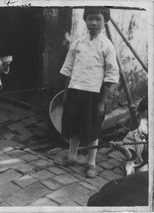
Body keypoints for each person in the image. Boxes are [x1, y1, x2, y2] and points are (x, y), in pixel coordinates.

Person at [59, 7, 119, 178]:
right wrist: (65, 92)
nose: (93, 23)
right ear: (85, 20)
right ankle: (71, 156)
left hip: (94, 95)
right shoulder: (78, 42)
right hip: (74, 91)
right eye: (90, 19)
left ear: (105, 21)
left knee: (92, 128)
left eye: (98, 19)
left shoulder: (107, 46)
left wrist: (102, 102)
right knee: (73, 125)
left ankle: (91, 163)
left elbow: (111, 75)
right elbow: (68, 69)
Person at [110, 95, 148, 175]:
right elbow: (130, 157)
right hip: (138, 177)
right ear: (138, 117)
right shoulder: (132, 137)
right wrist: (124, 150)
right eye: (145, 118)